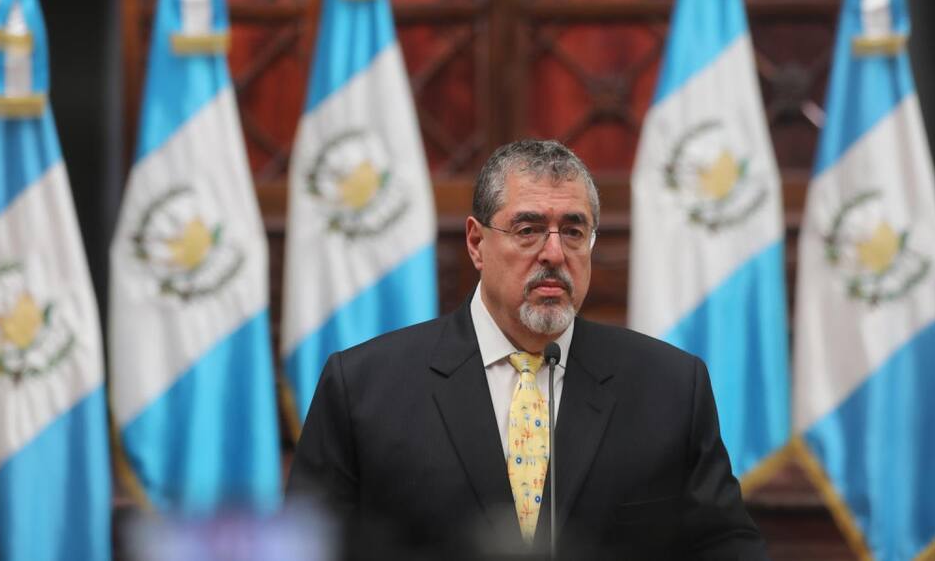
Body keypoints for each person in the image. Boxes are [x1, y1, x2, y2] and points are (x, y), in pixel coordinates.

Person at [287, 140, 768, 560]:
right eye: (528, 229)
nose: (554, 253)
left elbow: (724, 547)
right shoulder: (365, 388)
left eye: (574, 231)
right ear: (477, 243)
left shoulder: (669, 387)